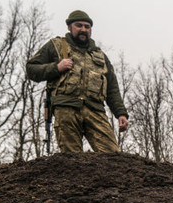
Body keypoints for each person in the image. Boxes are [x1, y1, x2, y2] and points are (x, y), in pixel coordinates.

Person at [26, 10, 129, 153]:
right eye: (79, 25)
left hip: (95, 110)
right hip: (66, 108)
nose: (83, 29)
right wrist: (56, 67)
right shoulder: (56, 46)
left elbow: (112, 88)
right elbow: (31, 69)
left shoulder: (100, 56)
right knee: (72, 160)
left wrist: (121, 113)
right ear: (69, 27)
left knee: (113, 156)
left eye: (87, 27)